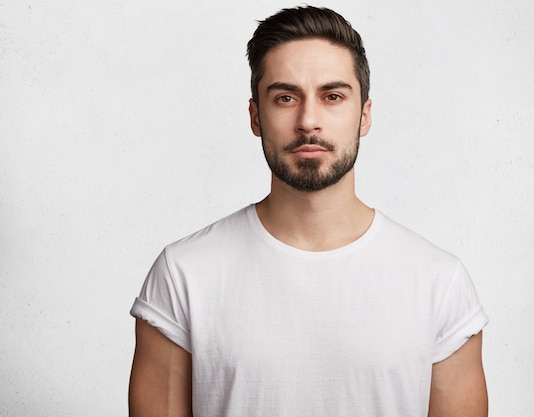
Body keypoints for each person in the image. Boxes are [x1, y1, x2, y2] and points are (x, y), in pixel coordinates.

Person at [128, 6, 488, 417]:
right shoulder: (183, 274)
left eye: (332, 96)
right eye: (285, 97)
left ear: (364, 115)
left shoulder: (440, 282)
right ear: (255, 116)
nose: (309, 120)